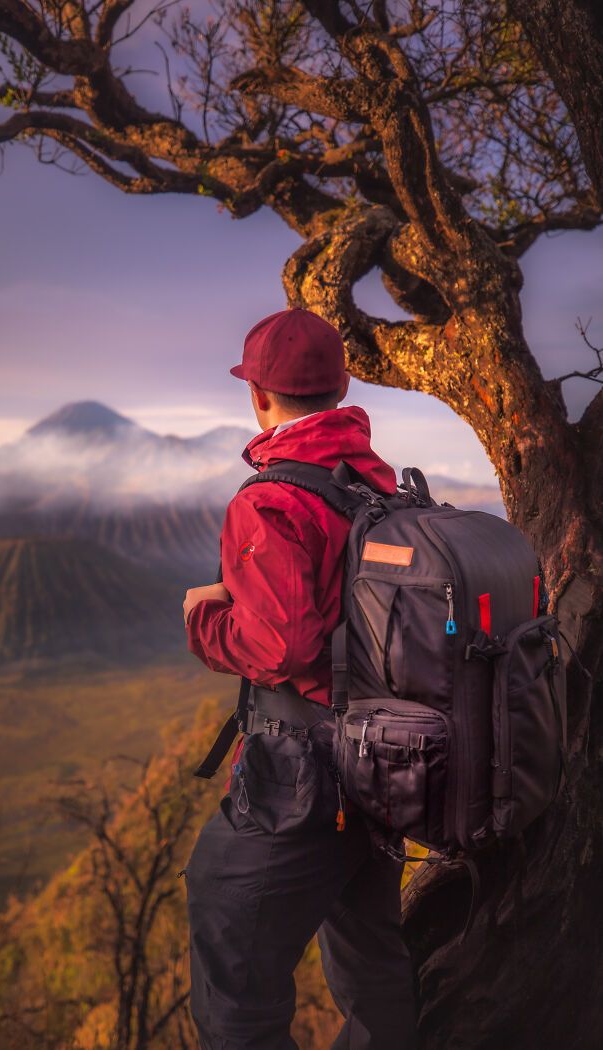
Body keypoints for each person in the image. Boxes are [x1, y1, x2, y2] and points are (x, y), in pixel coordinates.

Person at [182, 307, 418, 1050]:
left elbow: (280, 646)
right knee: (372, 959)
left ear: (258, 396)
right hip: (380, 760)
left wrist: (204, 618)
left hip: (301, 775)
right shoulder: (375, 483)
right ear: (342, 388)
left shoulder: (270, 500)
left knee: (231, 961)